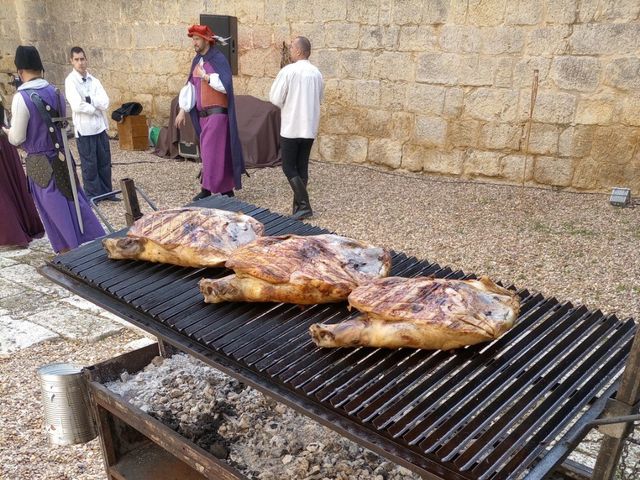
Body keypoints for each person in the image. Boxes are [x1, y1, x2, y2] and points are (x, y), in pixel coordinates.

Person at [2, 45, 104, 254]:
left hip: (39, 161)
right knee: (73, 201)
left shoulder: (22, 97)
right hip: (62, 157)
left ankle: (70, 254)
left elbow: (18, 137)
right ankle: (92, 244)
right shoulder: (54, 91)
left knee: (54, 208)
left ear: (20, 71)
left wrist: (5, 130)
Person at [175, 24, 245, 201]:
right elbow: (190, 87)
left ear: (206, 40)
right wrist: (183, 110)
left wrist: (205, 76)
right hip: (203, 117)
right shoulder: (197, 61)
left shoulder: (218, 59)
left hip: (217, 115)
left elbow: (225, 86)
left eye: (197, 39)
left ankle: (208, 190)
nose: (194, 43)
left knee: (210, 152)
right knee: (213, 153)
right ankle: (226, 191)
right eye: (193, 40)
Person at [269, 36, 323, 220]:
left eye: (292, 47)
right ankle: (298, 208)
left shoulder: (289, 71)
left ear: (299, 51)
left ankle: (304, 205)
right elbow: (319, 98)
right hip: (309, 127)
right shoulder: (317, 73)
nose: (290, 49)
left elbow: (275, 98)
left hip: (292, 126)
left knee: (288, 167)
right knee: (301, 167)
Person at [64, 46, 115, 201]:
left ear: (86, 59)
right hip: (85, 129)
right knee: (89, 164)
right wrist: (95, 108)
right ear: (72, 61)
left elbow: (105, 102)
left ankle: (107, 192)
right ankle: (94, 195)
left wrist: (90, 100)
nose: (80, 63)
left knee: (104, 161)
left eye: (82, 59)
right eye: (77, 60)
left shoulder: (94, 81)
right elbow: (77, 105)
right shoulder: (70, 81)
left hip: (99, 127)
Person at [0, 100, 45, 248]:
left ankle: (11, 235)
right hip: (4, 141)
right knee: (9, 185)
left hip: (3, 140)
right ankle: (21, 226)